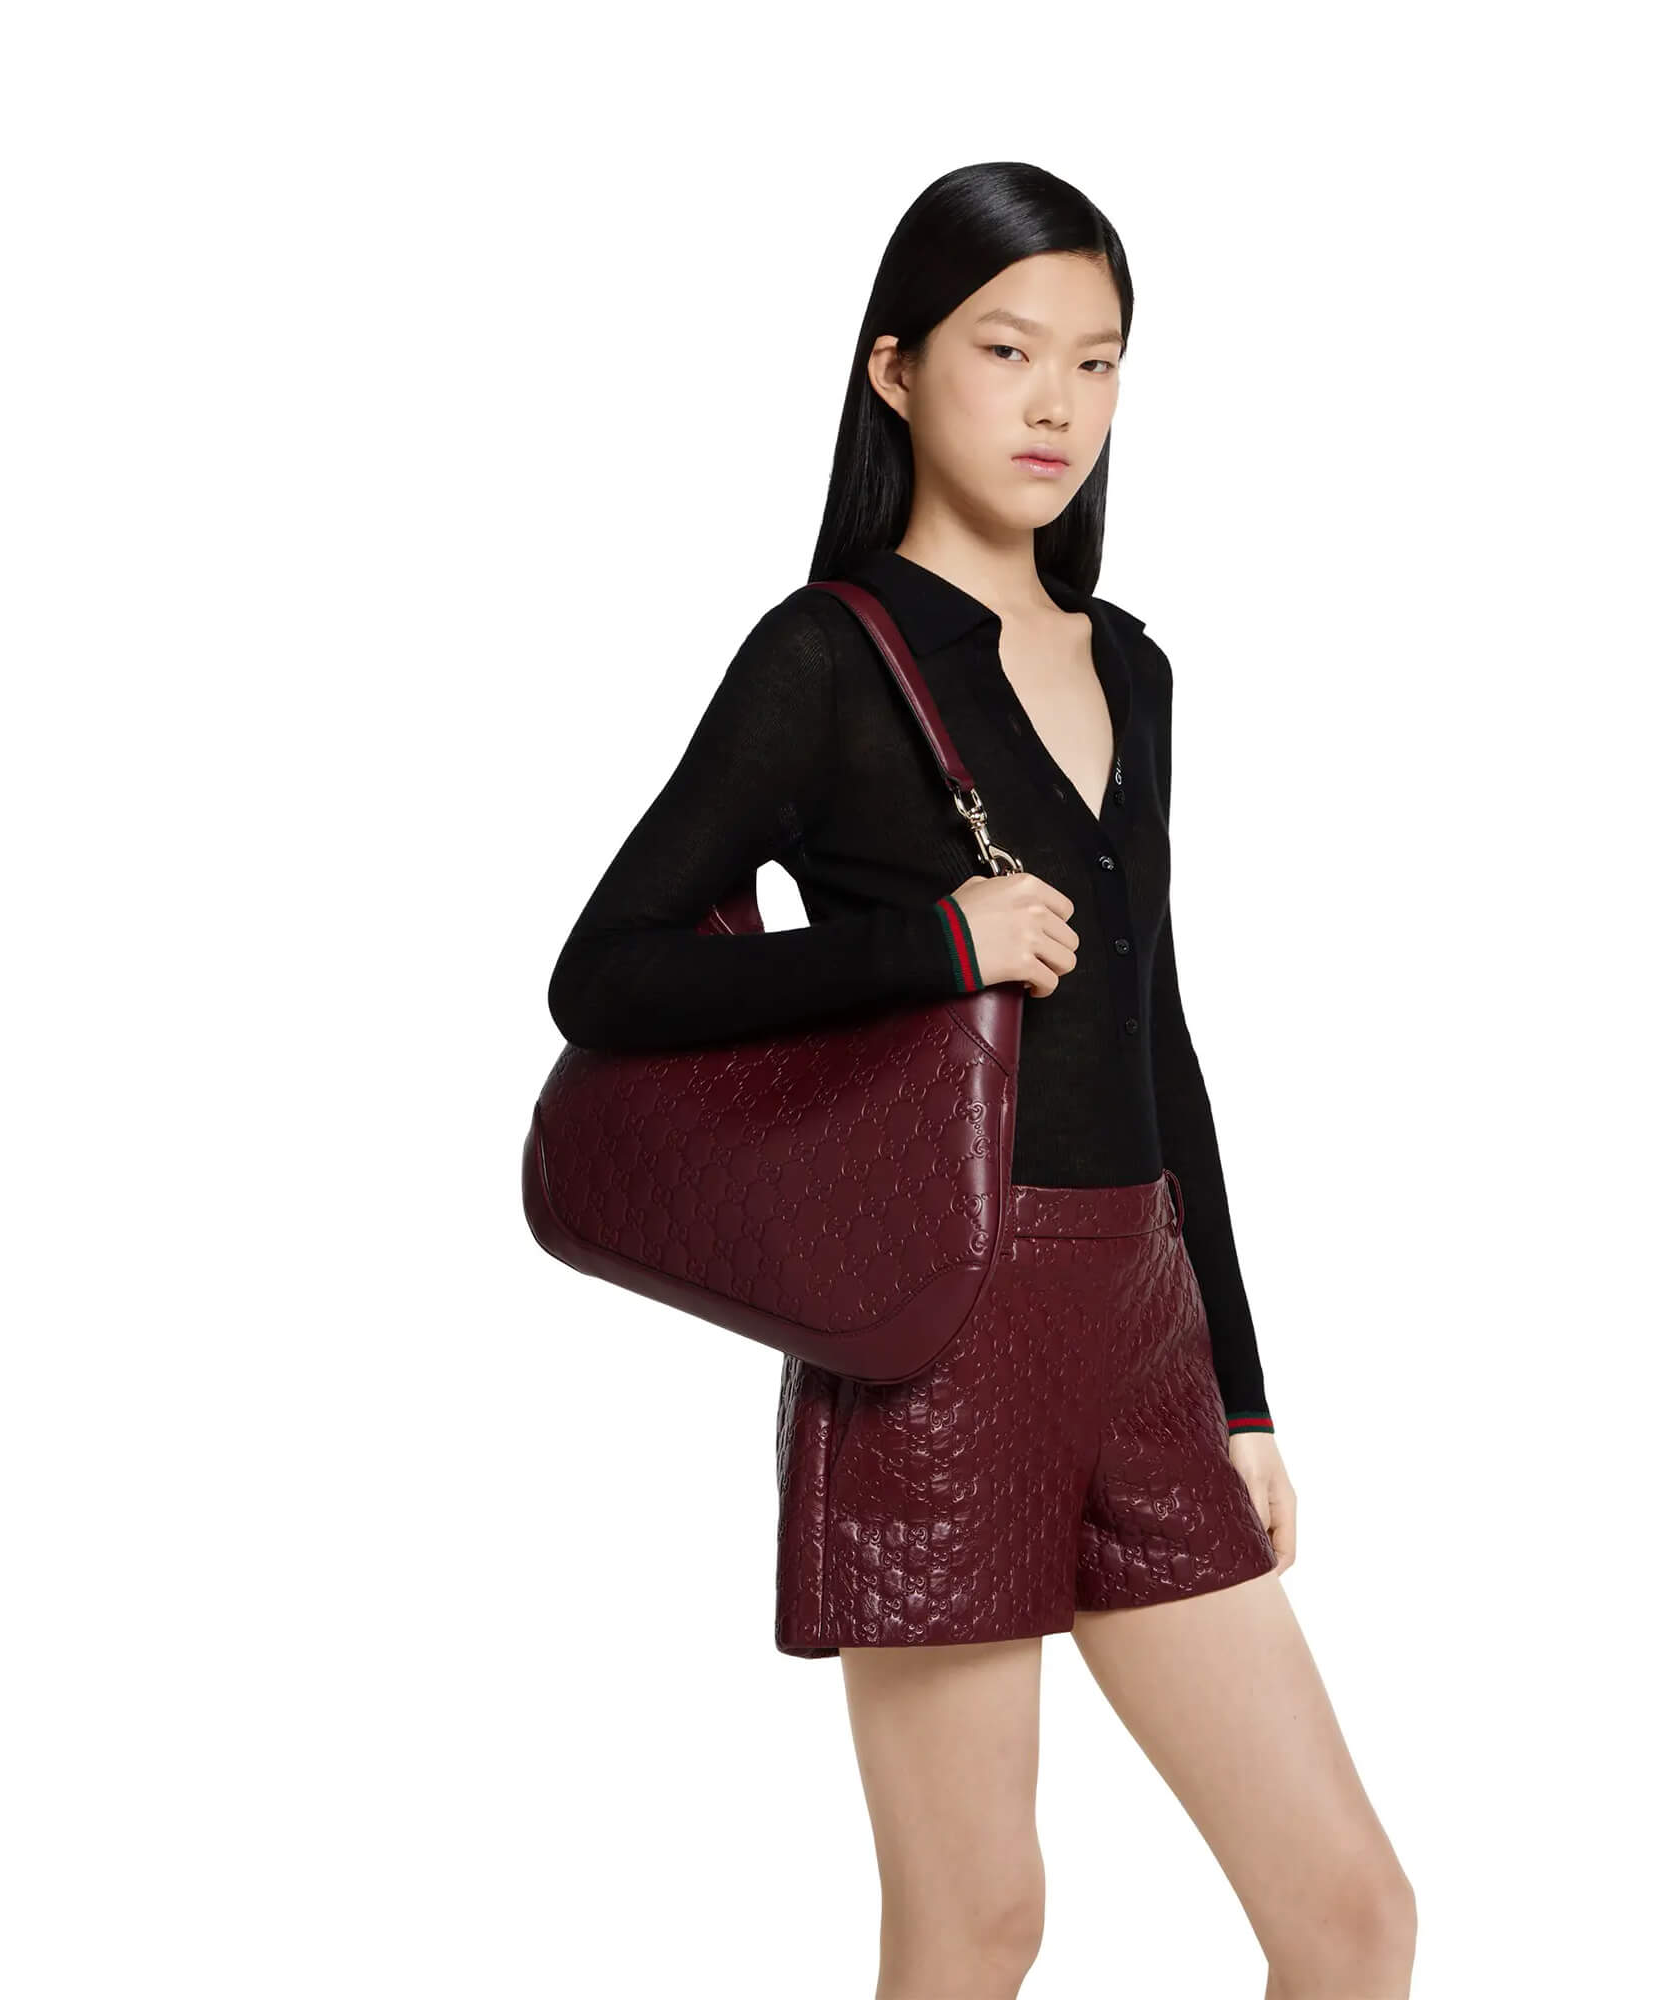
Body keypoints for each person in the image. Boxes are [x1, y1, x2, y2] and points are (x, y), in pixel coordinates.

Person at [546, 161, 1416, 2000]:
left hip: (1142, 1320)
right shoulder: (827, 655)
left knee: (1350, 1919)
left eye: (1097, 363)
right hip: (940, 1340)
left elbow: (1158, 1035)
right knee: (978, 1928)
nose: (1055, 406)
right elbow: (604, 976)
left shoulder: (1133, 666)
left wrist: (1243, 1392)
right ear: (895, 368)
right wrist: (931, 945)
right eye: (1007, 350)